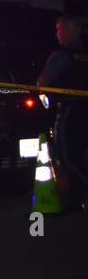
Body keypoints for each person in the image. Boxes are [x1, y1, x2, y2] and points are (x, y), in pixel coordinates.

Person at [39, 15, 88, 195]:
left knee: (67, 157)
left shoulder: (60, 57)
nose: (56, 33)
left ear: (69, 30)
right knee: (79, 157)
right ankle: (76, 199)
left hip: (70, 112)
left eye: (58, 29)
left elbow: (43, 83)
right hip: (82, 111)